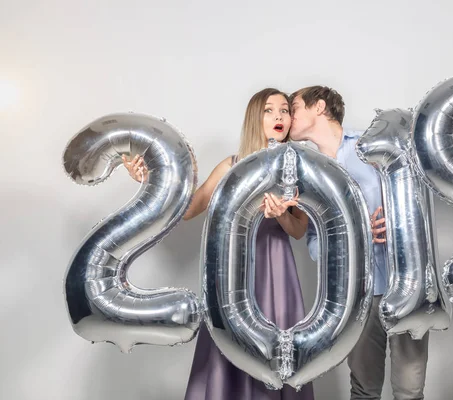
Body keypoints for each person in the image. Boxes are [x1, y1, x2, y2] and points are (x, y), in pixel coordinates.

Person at [123, 88, 314, 400]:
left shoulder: (296, 170)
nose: (279, 116)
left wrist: (280, 215)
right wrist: (149, 180)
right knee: (230, 342)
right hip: (232, 273)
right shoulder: (231, 165)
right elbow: (188, 209)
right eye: (269, 110)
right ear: (255, 117)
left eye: (284, 110)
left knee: (278, 351)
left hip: (276, 271)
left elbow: (297, 230)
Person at [289, 86, 429, 400]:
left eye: (294, 106)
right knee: (364, 390)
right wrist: (354, 231)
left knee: (410, 391)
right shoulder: (306, 172)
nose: (288, 114)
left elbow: (412, 203)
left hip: (403, 284)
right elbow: (313, 243)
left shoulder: (374, 148)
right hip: (358, 295)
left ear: (319, 107)